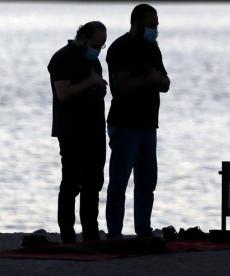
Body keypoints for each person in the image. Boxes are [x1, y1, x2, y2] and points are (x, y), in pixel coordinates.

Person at [105, 4, 170, 239]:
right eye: (151, 25)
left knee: (147, 181)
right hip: (124, 124)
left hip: (148, 125)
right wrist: (150, 79)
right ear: (137, 23)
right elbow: (121, 87)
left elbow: (166, 83)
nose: (155, 29)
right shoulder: (119, 48)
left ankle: (143, 229)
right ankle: (114, 233)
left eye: (157, 25)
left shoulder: (153, 48)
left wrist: (156, 79)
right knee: (119, 181)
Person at [47, 21, 108, 243]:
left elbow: (97, 87)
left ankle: (91, 233)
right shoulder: (62, 58)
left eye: (101, 46)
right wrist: (90, 82)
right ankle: (67, 235)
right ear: (83, 37)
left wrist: (99, 85)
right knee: (71, 182)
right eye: (96, 44)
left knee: (94, 182)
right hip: (72, 131)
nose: (98, 49)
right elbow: (63, 93)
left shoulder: (93, 61)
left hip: (95, 130)